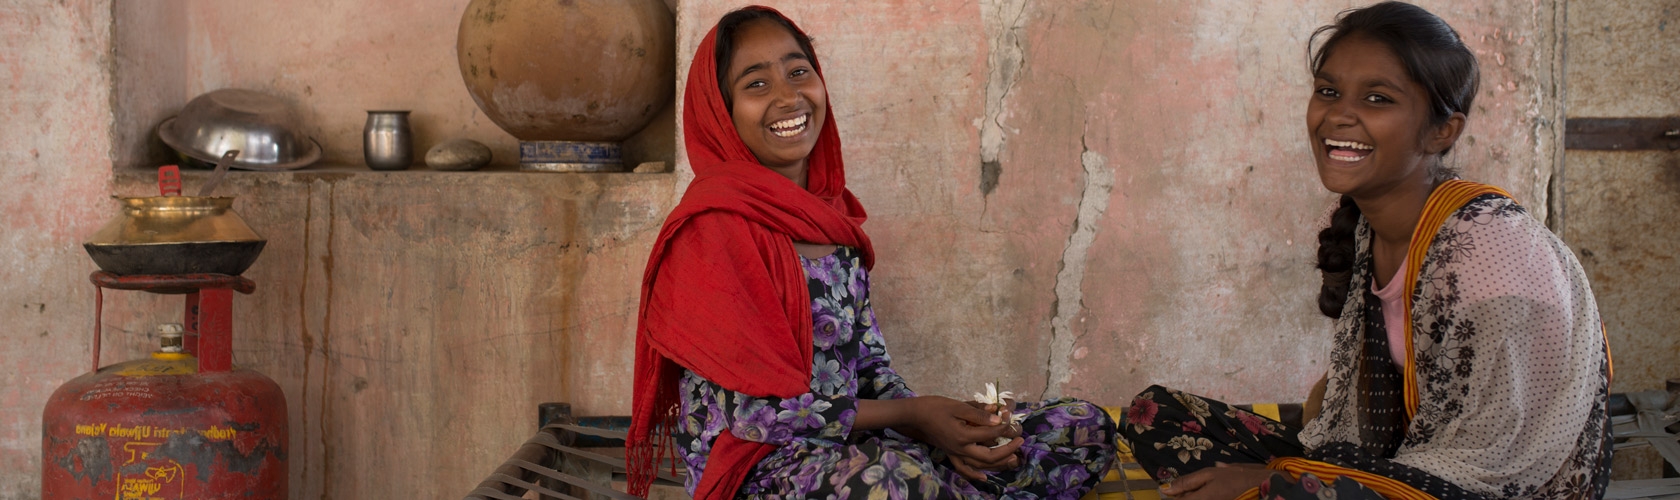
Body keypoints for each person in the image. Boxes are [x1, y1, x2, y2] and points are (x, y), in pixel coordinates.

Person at [1118, 3, 1613, 499]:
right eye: (1328, 91)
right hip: (1408, 460)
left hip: (1494, 486)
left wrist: (1278, 480)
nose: (1338, 114)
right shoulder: (1370, 229)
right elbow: (1354, 402)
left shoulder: (1488, 252)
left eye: (1378, 98)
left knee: (1285, 493)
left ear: (1443, 130)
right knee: (1155, 415)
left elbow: (1496, 465)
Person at [626, 6, 1117, 500]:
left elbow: (870, 368)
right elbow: (754, 417)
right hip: (763, 464)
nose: (788, 95)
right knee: (892, 480)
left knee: (1080, 426)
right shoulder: (710, 235)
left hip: (857, 445)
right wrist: (911, 417)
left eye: (799, 72)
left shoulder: (832, 221)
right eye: (756, 84)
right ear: (720, 113)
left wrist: (944, 430)